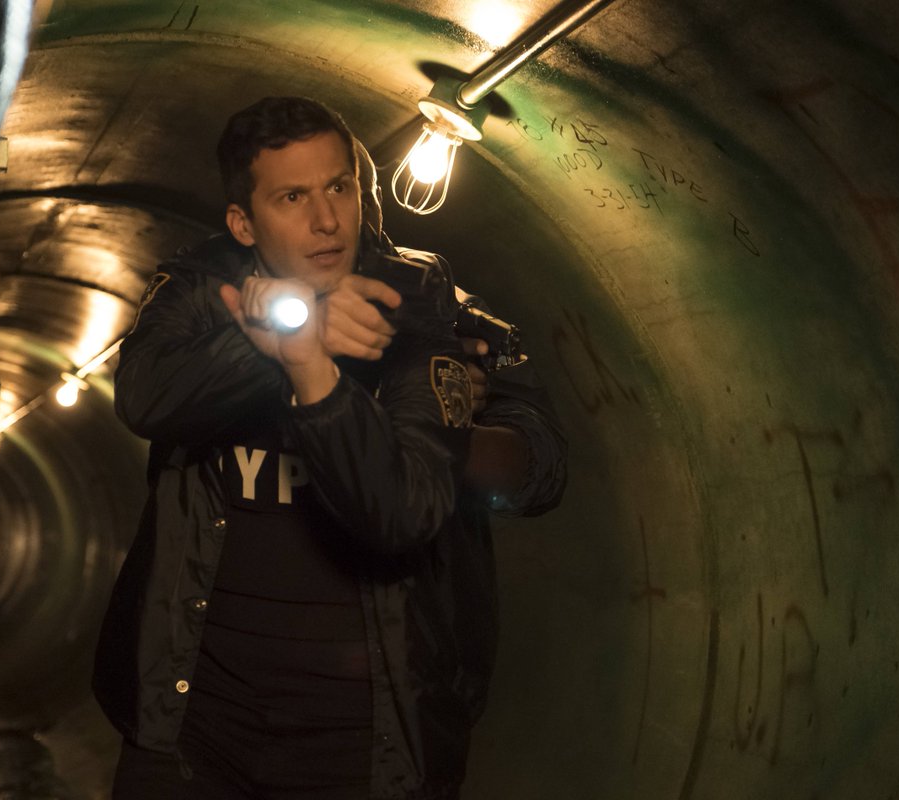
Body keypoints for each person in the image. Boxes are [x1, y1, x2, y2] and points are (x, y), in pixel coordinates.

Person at [94, 96, 566, 800]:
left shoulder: (423, 303)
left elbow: (538, 467)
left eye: (339, 187)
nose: (326, 220)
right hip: (195, 734)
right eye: (292, 197)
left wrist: (438, 436)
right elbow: (145, 396)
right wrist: (288, 340)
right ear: (243, 223)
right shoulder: (200, 288)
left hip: (372, 746)